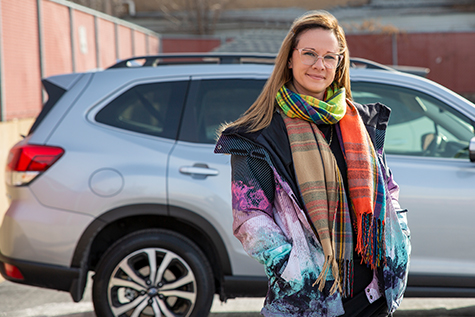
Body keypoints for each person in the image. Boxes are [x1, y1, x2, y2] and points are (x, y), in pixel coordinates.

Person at [215, 10, 410, 317]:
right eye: (309, 54)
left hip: (372, 297)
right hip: (306, 301)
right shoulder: (259, 134)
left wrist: (399, 240)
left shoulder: (360, 123)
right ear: (290, 59)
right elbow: (250, 218)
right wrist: (297, 271)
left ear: (339, 64)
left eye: (330, 57)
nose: (320, 65)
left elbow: (388, 189)